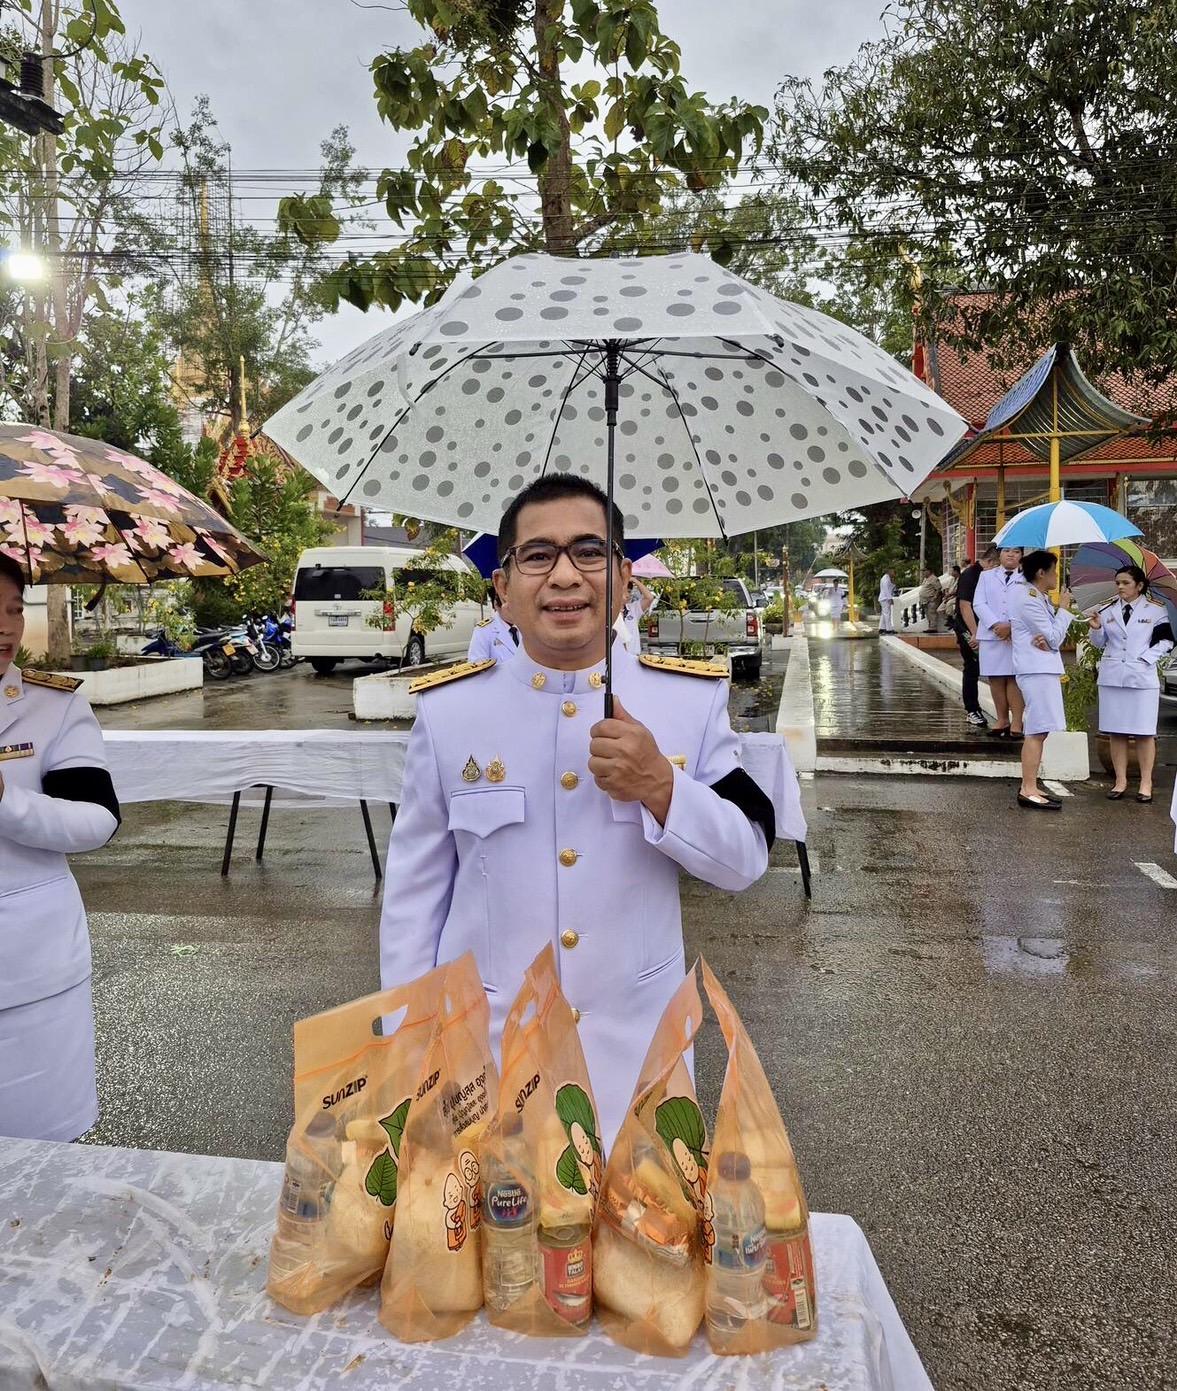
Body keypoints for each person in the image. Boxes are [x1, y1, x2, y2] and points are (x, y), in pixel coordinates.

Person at [378, 475, 772, 1149]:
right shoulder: (450, 712)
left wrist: (660, 785)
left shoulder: (685, 702)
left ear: (623, 577)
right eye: (537, 555)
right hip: (487, 1061)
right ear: (502, 588)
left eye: (589, 552)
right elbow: (415, 898)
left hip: (638, 1067)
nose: (564, 575)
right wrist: (406, 1058)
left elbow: (745, 859)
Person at [0, 553, 120, 1140]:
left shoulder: (54, 707)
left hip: (31, 967)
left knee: (42, 1154)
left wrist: (6, 801)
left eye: (14, 610)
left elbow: (96, 818)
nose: (6, 627)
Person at [1088, 564, 1175, 803]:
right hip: (1113, 677)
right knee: (1116, 732)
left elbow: (1166, 641)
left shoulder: (1156, 610)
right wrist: (1095, 629)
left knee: (1145, 733)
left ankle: (1146, 782)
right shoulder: (1107, 610)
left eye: (1125, 583)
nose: (1120, 587)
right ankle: (1120, 781)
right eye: (1118, 583)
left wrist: (1146, 659)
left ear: (1139, 585)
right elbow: (1098, 643)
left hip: (1142, 677)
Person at [1011, 550, 1077, 810]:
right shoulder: (1028, 599)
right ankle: (1027, 788)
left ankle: (1032, 784)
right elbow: (1053, 638)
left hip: (1043, 667)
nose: (1055, 576)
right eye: (1053, 570)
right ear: (1041, 573)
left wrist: (1052, 633)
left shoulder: (1037, 597)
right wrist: (1063, 609)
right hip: (1036, 669)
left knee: (1042, 730)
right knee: (1036, 730)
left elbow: (1049, 638)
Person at [973, 546, 1026, 740]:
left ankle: (1018, 721)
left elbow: (1029, 605)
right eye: (1007, 551)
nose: (1011, 555)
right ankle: (1002, 718)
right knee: (995, 678)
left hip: (1016, 634)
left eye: (1016, 552)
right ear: (1000, 554)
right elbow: (978, 603)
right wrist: (996, 624)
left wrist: (1011, 626)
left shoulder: (1027, 577)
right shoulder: (986, 576)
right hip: (991, 633)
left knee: (1014, 678)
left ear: (1021, 556)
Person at [952, 546, 998, 727]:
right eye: (997, 567)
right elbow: (965, 606)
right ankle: (971, 709)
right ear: (991, 562)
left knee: (985, 668)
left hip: (984, 629)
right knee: (972, 667)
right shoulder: (971, 575)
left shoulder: (986, 575)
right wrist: (974, 633)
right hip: (969, 629)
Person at [467, 589, 519, 664]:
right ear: (496, 605)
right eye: (509, 608)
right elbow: (476, 665)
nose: (515, 612)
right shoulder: (483, 631)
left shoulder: (525, 626)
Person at [619, 575, 658, 654]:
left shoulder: (633, 608)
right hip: (617, 657)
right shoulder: (609, 612)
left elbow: (649, 598)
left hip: (634, 655)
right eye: (624, 591)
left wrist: (635, 581)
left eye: (629, 591)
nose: (627, 595)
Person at [918, 567, 944, 633]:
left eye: (924, 571)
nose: (923, 572)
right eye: (922, 571)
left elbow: (938, 588)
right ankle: (930, 627)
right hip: (925, 600)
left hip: (931, 599)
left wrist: (935, 597)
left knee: (932, 613)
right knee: (928, 614)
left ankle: (933, 628)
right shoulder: (926, 579)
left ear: (929, 571)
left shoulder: (934, 578)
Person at [878, 570, 896, 635]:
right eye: (894, 572)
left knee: (884, 614)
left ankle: (881, 628)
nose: (894, 574)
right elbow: (886, 589)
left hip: (884, 598)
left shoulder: (886, 578)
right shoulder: (886, 578)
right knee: (887, 614)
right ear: (889, 571)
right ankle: (888, 629)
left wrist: (893, 582)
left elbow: (891, 588)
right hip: (885, 598)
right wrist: (890, 598)